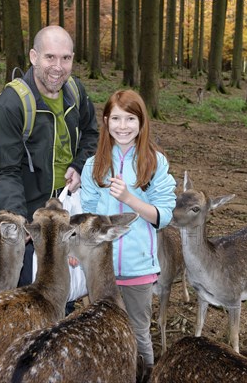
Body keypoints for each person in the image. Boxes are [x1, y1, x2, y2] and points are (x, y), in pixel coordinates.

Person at [0, 25, 98, 288]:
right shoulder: (10, 105)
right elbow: (6, 171)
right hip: (30, 213)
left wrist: (79, 165)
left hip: (68, 208)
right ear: (34, 57)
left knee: (66, 287)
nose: (58, 67)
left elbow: (92, 134)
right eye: (50, 57)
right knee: (31, 291)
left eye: (66, 58)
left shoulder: (76, 92)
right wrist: (20, 224)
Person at [80, 89, 176, 370]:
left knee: (138, 333)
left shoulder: (154, 163)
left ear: (142, 122)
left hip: (138, 268)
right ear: (106, 121)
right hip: (100, 268)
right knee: (102, 332)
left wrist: (129, 199)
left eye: (130, 119)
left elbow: (164, 216)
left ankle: (144, 376)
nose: (123, 127)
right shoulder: (93, 165)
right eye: (117, 119)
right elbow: (87, 215)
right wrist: (79, 251)